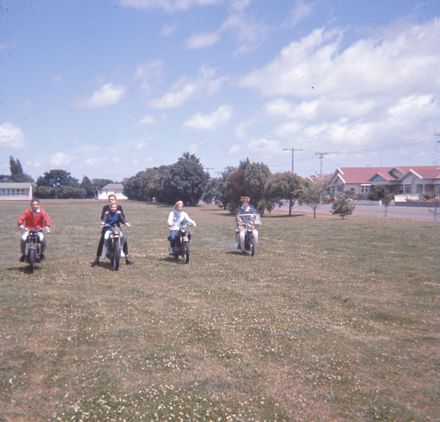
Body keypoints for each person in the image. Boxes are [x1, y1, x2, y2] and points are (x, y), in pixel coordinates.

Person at [91, 194, 132, 266]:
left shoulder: (119, 207)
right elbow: (102, 218)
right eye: (110, 199)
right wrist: (103, 222)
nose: (111, 200)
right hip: (107, 227)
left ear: (115, 200)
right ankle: (97, 259)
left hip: (117, 227)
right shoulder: (105, 208)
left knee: (124, 240)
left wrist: (124, 222)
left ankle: (127, 258)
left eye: (112, 199)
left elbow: (122, 218)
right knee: (102, 240)